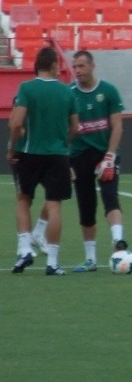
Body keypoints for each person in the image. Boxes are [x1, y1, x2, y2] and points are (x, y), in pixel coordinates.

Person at [30, 50, 128, 271]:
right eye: (74, 67)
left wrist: (110, 157)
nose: (77, 71)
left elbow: (117, 126)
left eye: (82, 66)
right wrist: (64, 159)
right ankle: (91, 259)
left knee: (111, 197)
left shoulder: (109, 91)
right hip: (78, 156)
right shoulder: (69, 93)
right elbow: (62, 127)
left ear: (92, 66)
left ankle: (118, 244)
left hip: (105, 154)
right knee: (86, 205)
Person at [7, 45, 79, 276]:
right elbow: (75, 127)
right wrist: (63, 143)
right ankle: (53, 263)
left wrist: (12, 148)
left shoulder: (26, 88)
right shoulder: (68, 92)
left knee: (23, 199)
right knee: (55, 205)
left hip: (29, 153)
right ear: (54, 64)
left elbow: (16, 123)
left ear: (38, 66)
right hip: (57, 154)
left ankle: (25, 248)